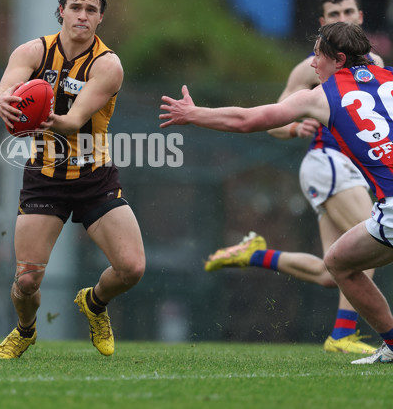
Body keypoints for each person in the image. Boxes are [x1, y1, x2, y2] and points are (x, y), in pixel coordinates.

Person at [160, 21, 393, 364]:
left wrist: (195, 114)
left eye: (318, 56)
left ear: (339, 59)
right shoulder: (388, 79)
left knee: (339, 266)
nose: (313, 64)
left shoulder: (321, 97)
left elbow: (247, 120)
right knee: (337, 262)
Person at [203, 0, 382, 354]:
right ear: (322, 24)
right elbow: (273, 120)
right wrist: (294, 128)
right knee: (373, 241)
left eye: (348, 11)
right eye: (333, 14)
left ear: (360, 17)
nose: (342, 18)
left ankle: (253, 255)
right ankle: (343, 335)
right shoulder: (312, 66)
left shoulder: (377, 66)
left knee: (331, 272)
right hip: (329, 164)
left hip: (354, 171)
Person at [0, 0, 145, 359]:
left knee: (132, 268)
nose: (82, 15)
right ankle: (25, 331)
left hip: (94, 175)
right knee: (27, 280)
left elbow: (74, 120)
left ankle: (93, 303)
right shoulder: (32, 52)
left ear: (100, 18)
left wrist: (43, 117)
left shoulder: (108, 65)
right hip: (45, 176)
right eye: (75, 7)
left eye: (91, 10)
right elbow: (6, 90)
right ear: (61, 11)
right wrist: (0, 102)